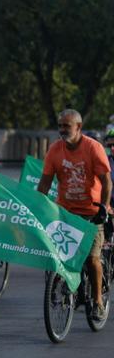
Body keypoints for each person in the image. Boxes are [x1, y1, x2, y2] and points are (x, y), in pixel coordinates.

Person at [38, 109, 112, 321]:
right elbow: (45, 182)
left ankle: (97, 301)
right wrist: (37, 207)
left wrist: (104, 208)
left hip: (92, 213)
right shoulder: (55, 150)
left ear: (78, 127)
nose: (62, 130)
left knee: (92, 258)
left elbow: (107, 182)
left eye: (66, 126)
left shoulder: (93, 148)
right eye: (60, 126)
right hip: (66, 212)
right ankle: (69, 288)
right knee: (62, 255)